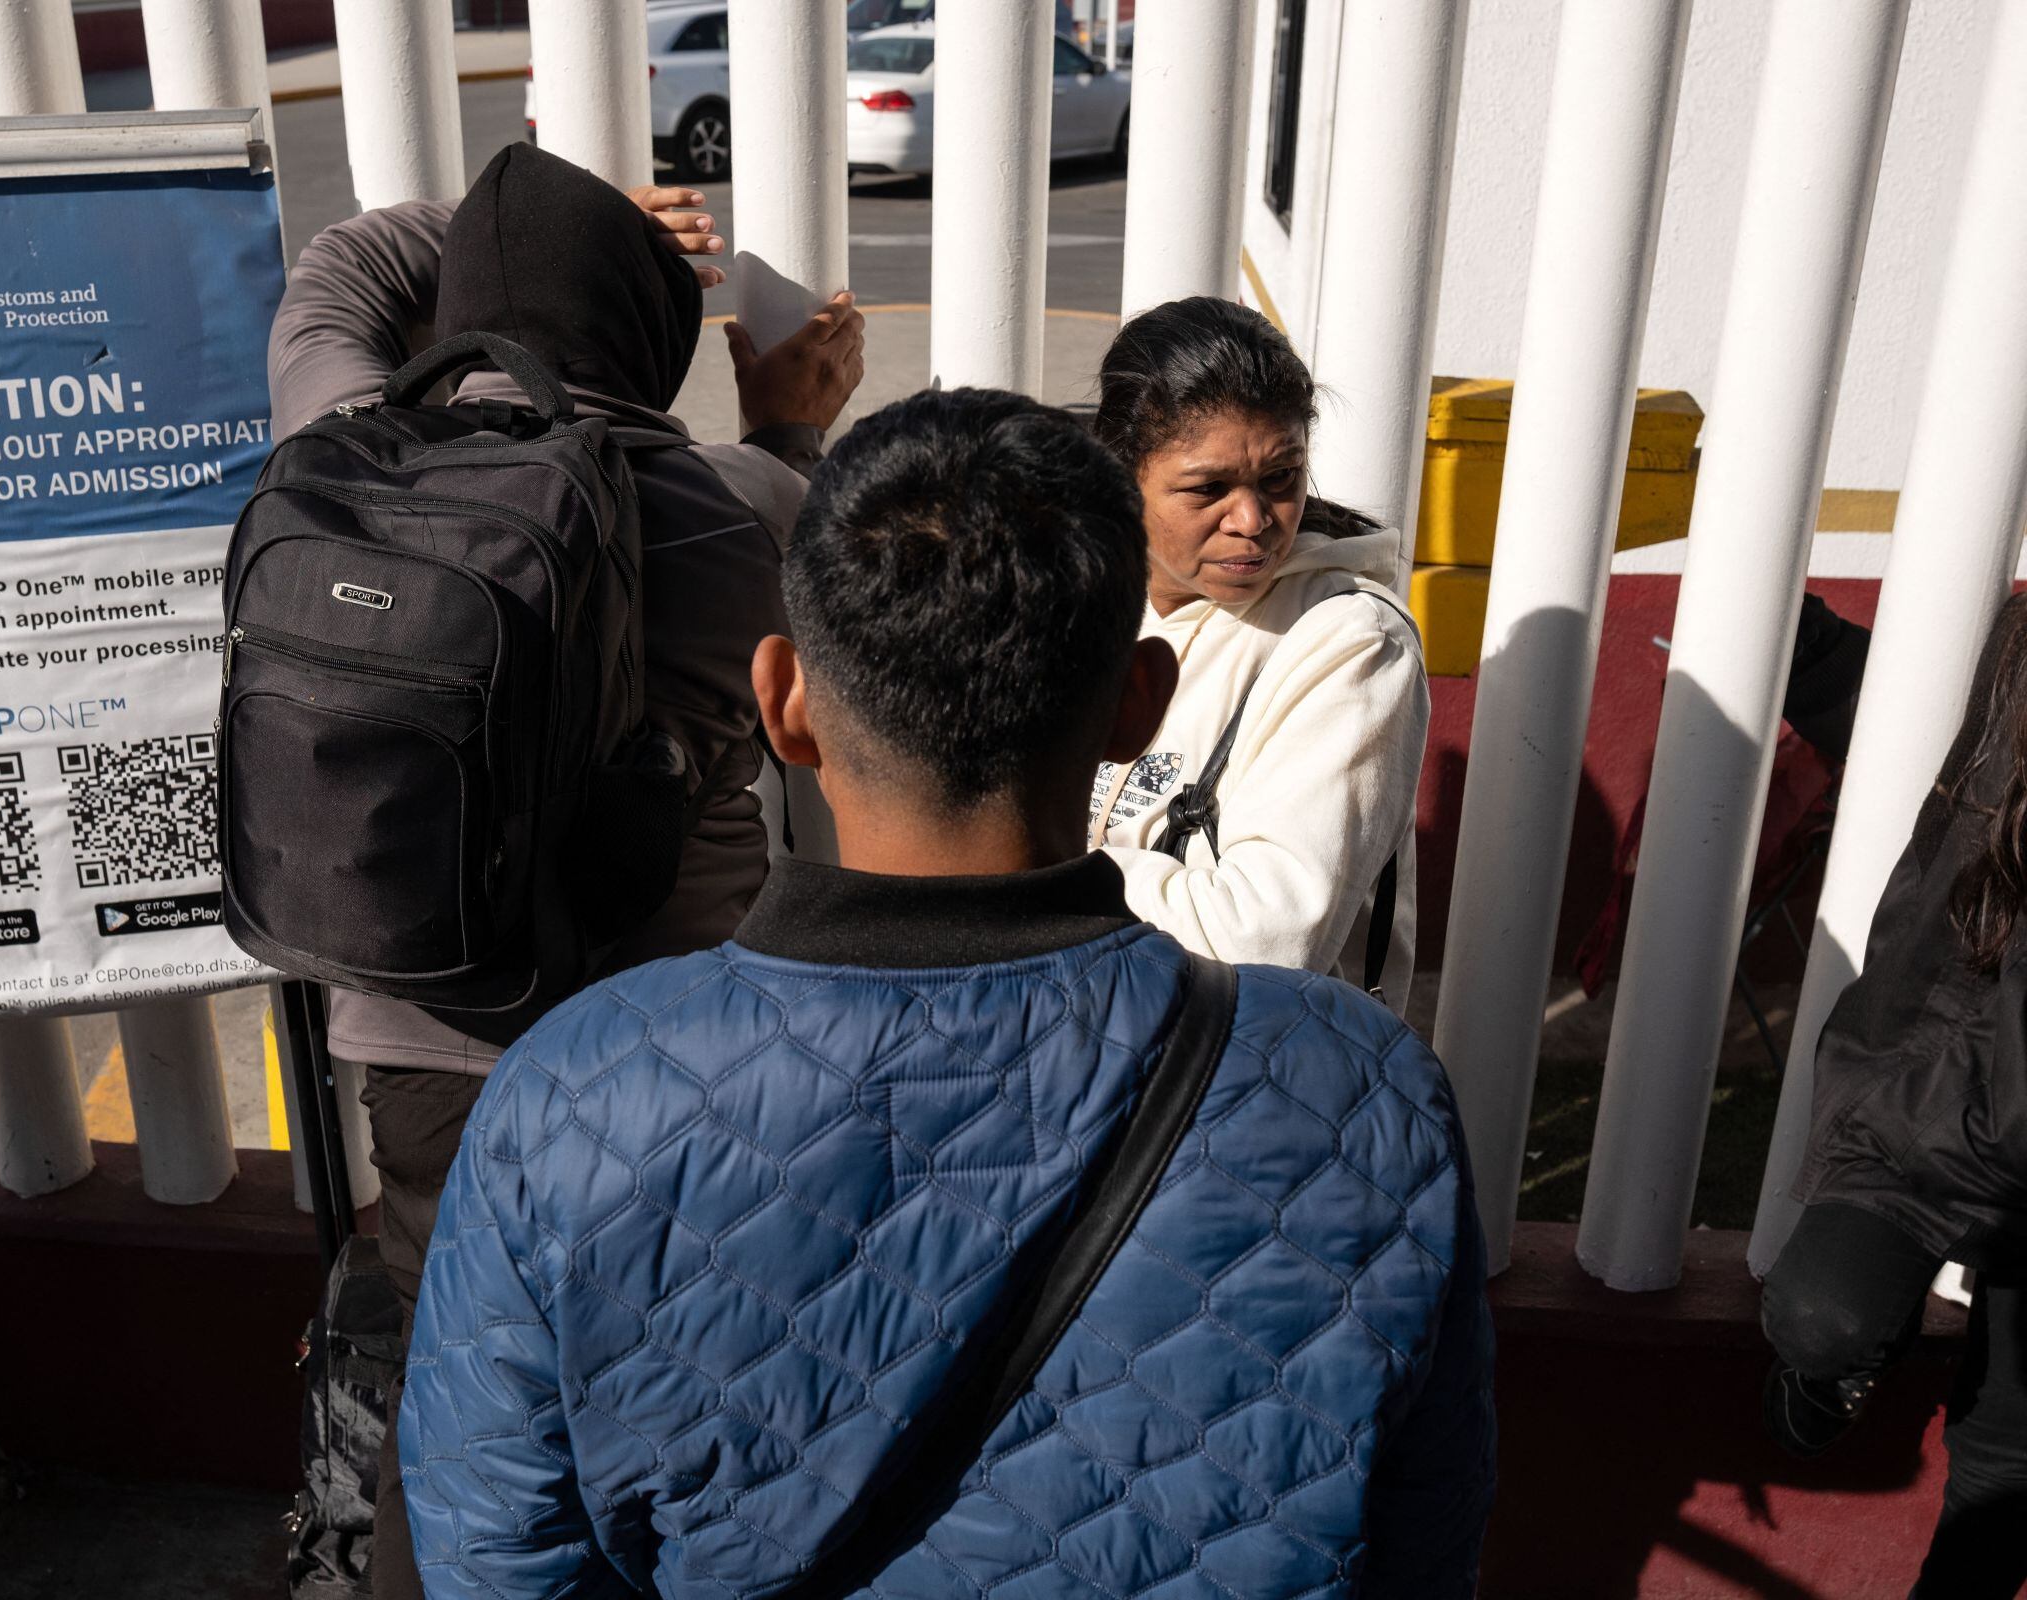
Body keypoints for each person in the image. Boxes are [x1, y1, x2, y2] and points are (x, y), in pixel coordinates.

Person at [397, 388, 1496, 1597]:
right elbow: (1424, 1530)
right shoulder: (1360, 1086)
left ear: (787, 706)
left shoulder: (571, 1092)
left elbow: (501, 1555)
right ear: (1140, 701)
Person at [266, 142, 866, 1600]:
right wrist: (784, 424)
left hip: (423, 1048)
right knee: (672, 1385)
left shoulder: (340, 450)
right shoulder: (743, 504)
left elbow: (334, 273)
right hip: (664, 1053)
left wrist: (488, 228)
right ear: (648, 341)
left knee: (454, 1397)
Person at [1761, 593, 2027, 1599]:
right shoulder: (2014, 663)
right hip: (1926, 1098)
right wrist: (1791, 628)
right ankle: (1842, 1354)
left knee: (2007, 1455)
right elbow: (1880, 694)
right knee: (1822, 1317)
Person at [1088, 298, 1430, 1014]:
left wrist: (1024, 869)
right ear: (1120, 473)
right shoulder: (1079, 599)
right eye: (1208, 489)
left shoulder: (1352, 645)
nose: (1252, 522)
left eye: (1280, 479)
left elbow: (1259, 944)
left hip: (1247, 1088)